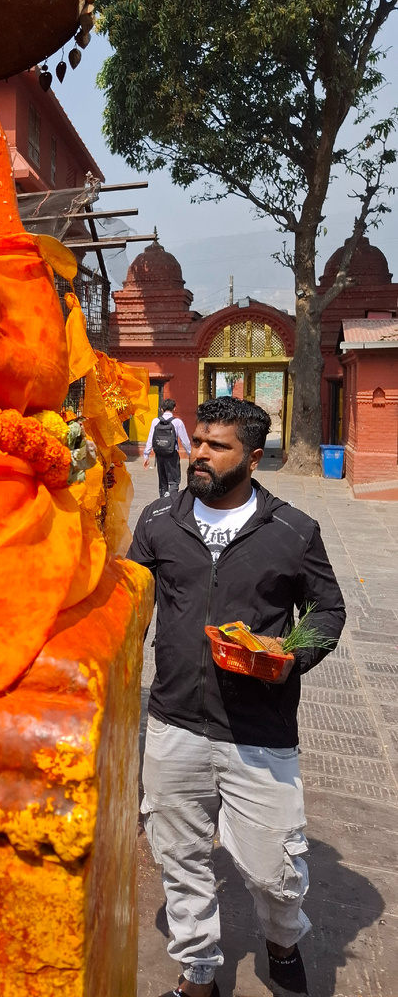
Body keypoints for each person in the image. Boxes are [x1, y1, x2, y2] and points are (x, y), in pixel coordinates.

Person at [129, 396, 345, 997]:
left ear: (252, 458)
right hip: (174, 723)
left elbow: (327, 611)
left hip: (259, 732)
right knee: (180, 858)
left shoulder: (292, 531)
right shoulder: (158, 521)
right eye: (197, 441)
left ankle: (282, 941)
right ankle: (198, 972)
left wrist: (291, 657)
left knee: (276, 871)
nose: (198, 454)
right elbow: (133, 605)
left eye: (216, 446)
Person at [144, 397, 191, 497]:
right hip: (172, 455)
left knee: (162, 481)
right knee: (174, 480)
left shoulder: (155, 421)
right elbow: (185, 441)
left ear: (162, 409)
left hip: (159, 454)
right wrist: (190, 454)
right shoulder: (177, 422)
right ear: (174, 408)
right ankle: (172, 500)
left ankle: (163, 501)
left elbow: (150, 438)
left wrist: (146, 455)